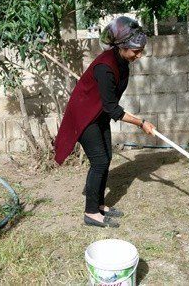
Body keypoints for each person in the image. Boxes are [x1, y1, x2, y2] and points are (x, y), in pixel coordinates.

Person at [54, 16, 155, 228]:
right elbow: (112, 108)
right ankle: (91, 213)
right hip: (85, 116)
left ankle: (98, 206)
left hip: (98, 114)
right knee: (99, 161)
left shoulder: (121, 61)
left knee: (106, 158)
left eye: (140, 50)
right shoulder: (105, 67)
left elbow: (108, 104)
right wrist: (141, 122)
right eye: (135, 51)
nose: (139, 55)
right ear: (121, 46)